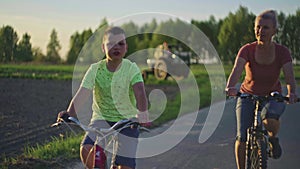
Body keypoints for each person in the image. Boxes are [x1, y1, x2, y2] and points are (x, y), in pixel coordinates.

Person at [57, 26, 149, 169]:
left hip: (127, 120)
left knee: (125, 165)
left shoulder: (131, 68)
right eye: (111, 44)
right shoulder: (95, 69)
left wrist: (142, 113)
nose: (116, 47)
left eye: (121, 44)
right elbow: (83, 93)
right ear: (103, 48)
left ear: (126, 48)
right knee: (86, 150)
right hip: (101, 118)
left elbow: (140, 92)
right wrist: (70, 114)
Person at [225, 10, 297, 169]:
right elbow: (236, 70)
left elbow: (289, 77)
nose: (260, 31)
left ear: (274, 31)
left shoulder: (282, 52)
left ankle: (272, 138)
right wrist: (230, 86)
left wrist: (292, 93)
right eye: (258, 27)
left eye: (265, 28)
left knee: (269, 119)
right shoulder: (247, 49)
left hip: (273, 96)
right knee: (242, 135)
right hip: (247, 95)